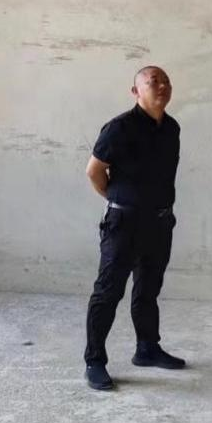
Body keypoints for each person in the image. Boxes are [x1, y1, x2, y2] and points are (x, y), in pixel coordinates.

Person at [83, 66, 185, 390]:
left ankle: (147, 349)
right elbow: (94, 171)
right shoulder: (119, 128)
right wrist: (117, 199)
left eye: (166, 81)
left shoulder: (172, 128)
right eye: (153, 81)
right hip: (123, 224)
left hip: (159, 222)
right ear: (136, 91)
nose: (161, 86)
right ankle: (95, 361)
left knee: (148, 290)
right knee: (108, 291)